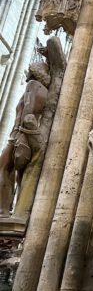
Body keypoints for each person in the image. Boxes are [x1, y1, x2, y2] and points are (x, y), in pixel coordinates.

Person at [0, 59, 51, 217]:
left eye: (29, 69)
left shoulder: (32, 85)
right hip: (30, 134)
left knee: (3, 168)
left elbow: (27, 109)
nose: (26, 72)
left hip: (19, 132)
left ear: (34, 71)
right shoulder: (45, 91)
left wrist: (19, 133)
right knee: (20, 174)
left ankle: (3, 209)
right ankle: (16, 209)